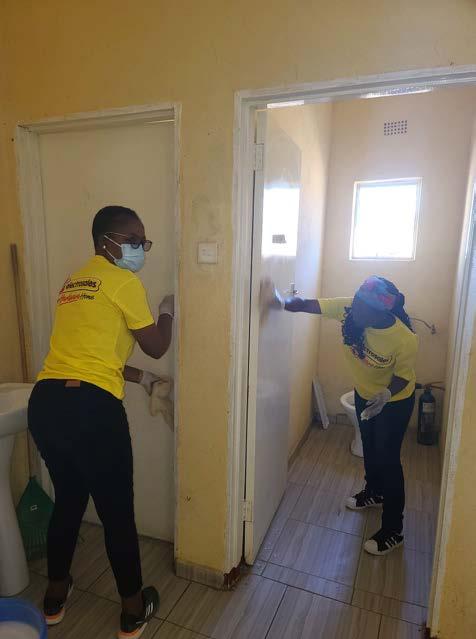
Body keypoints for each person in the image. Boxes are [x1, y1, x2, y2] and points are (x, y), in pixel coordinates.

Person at [28, 205, 173, 638]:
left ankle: (54, 598)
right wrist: (168, 312)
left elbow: (89, 356)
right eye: (133, 240)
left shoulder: (72, 283)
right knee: (116, 512)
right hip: (92, 411)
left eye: (143, 242)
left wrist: (142, 379)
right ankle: (133, 610)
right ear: (105, 242)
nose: (140, 248)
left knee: (69, 499)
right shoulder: (125, 282)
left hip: (47, 403)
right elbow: (156, 346)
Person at [278, 276, 418, 556]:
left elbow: (403, 376)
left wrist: (386, 395)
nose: (354, 311)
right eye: (355, 303)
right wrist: (281, 299)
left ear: (379, 313)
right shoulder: (350, 308)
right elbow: (306, 304)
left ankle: (394, 530)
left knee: (389, 460)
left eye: (361, 308)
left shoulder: (404, 339)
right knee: (369, 448)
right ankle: (375, 492)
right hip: (364, 393)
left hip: (394, 401)